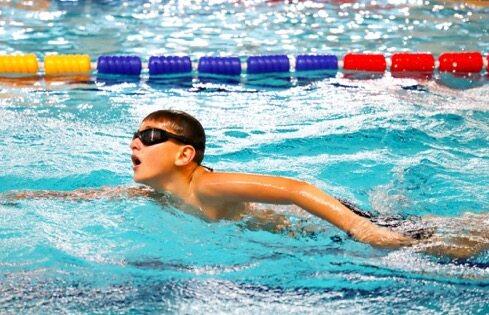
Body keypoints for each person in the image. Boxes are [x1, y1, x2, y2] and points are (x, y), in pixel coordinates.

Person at [5, 109, 489, 258]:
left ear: (184, 155)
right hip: (323, 229)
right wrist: (21, 197)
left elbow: (296, 189)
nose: (136, 141)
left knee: (447, 242)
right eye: (134, 133)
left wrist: (360, 230)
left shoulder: (206, 186)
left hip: (332, 225)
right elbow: (86, 196)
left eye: (149, 136)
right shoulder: (161, 192)